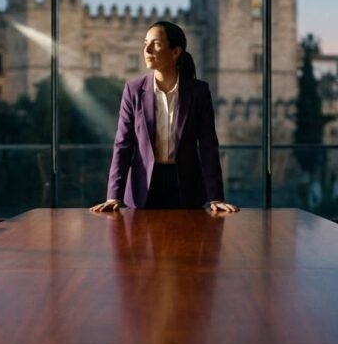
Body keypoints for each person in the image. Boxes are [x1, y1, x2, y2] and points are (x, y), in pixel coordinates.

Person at [90, 21, 239, 213]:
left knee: (187, 242)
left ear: (176, 51)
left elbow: (208, 146)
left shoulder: (199, 91)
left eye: (156, 44)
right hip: (143, 189)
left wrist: (216, 197)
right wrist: (113, 195)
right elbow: (123, 144)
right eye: (145, 44)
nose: (148, 50)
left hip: (186, 189)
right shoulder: (133, 90)